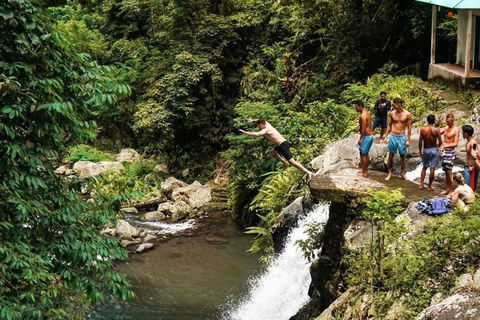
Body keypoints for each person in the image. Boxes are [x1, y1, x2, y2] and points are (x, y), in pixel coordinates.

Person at [239, 118, 313, 182]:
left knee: (292, 162)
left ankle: (308, 172)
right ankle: (285, 163)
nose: (258, 128)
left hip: (283, 145)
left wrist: (245, 132)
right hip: (280, 145)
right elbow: (259, 120)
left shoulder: (266, 129)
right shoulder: (267, 124)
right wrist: (251, 120)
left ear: (261, 125)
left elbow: (257, 134)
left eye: (259, 126)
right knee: (272, 153)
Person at [384, 98, 412, 181]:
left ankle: (403, 173)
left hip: (402, 136)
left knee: (402, 156)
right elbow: (389, 124)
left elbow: (409, 127)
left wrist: (408, 139)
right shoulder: (392, 113)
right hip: (393, 136)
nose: (393, 106)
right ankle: (389, 173)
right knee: (391, 155)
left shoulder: (407, 114)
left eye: (394, 105)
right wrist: (386, 136)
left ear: (399, 104)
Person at [418, 115, 442, 191]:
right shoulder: (436, 130)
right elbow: (440, 141)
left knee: (424, 167)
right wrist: (436, 147)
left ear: (427, 120)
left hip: (426, 149)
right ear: (434, 121)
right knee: (432, 168)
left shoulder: (422, 130)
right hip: (434, 149)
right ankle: (429, 186)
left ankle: (421, 184)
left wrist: (420, 152)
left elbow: (420, 142)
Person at [439, 114, 460, 195]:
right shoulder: (445, 128)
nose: (447, 123)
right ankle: (447, 189)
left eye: (449, 122)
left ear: (452, 121)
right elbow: (437, 133)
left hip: (449, 152)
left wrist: (444, 146)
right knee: (445, 171)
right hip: (444, 152)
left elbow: (455, 143)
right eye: (446, 121)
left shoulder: (455, 130)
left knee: (449, 172)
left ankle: (451, 191)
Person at [355, 100, 374, 177]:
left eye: (356, 107)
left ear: (359, 106)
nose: (356, 109)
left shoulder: (362, 116)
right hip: (370, 135)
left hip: (366, 136)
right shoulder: (367, 113)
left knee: (363, 153)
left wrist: (360, 138)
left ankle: (364, 172)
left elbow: (363, 128)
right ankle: (364, 170)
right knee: (365, 153)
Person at [461, 125, 479, 191]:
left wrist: (473, 166)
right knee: (467, 185)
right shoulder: (469, 141)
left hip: (471, 167)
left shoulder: (473, 142)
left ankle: (471, 200)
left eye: (462, 132)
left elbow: (477, 155)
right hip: (467, 166)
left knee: (470, 186)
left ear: (466, 133)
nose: (462, 133)